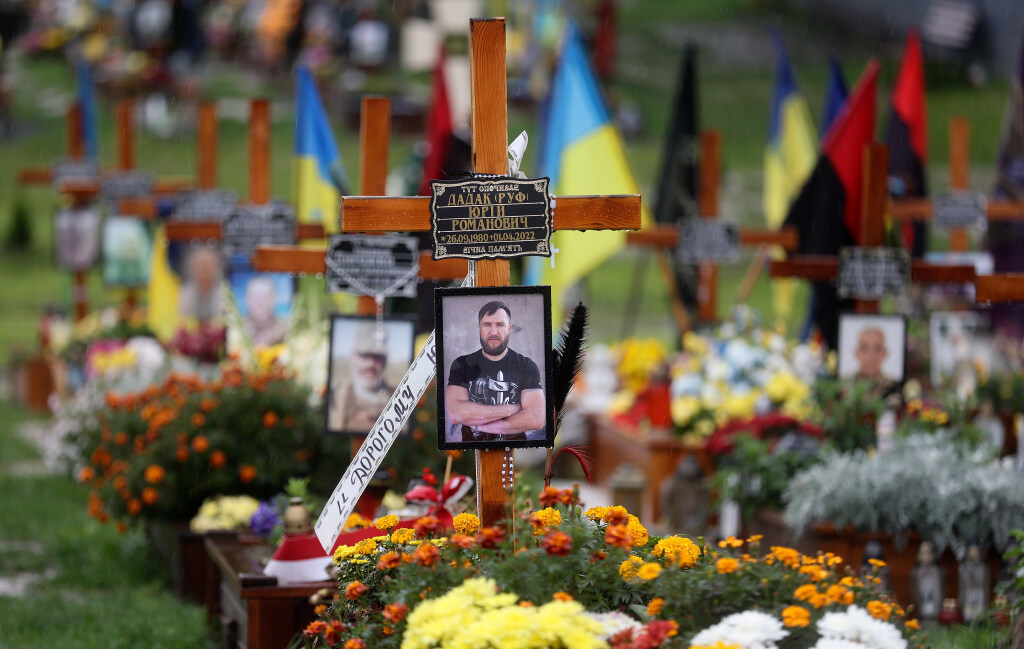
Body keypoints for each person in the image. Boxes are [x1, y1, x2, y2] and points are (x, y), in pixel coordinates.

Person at [445, 301, 546, 443]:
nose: (493, 332)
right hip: (472, 452)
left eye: (500, 324)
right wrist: (512, 409)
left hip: (512, 452)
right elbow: (456, 413)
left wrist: (480, 426)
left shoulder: (526, 366)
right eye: (487, 325)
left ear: (509, 328)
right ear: (479, 328)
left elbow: (536, 419)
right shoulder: (462, 365)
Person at [328, 322, 394, 433]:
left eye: (377, 357)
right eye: (364, 356)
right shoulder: (335, 398)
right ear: (352, 357)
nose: (370, 364)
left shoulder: (400, 399)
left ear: (386, 359)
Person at [178, 247, 224, 325]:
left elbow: (224, 322)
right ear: (193, 269)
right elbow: (182, 321)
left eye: (208, 267)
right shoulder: (185, 291)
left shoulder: (223, 292)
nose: (205, 272)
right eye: (201, 268)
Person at [851, 325, 898, 398]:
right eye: (864, 348)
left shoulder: (894, 387)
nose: (871, 355)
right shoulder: (844, 385)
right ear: (856, 352)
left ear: (884, 353)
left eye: (877, 348)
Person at [243, 277, 288, 346]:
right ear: (247, 299)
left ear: (274, 299)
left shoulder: (287, 328)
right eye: (256, 296)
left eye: (265, 296)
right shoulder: (237, 330)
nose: (260, 302)